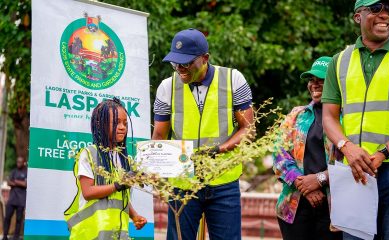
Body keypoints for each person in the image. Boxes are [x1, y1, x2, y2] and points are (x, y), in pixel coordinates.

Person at [152, 28, 254, 239]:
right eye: (175, 63)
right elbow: (159, 137)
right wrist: (154, 168)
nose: (179, 69)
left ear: (205, 58)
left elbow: (248, 128)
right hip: (182, 184)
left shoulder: (233, 79)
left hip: (223, 181)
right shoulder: (166, 87)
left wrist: (219, 149)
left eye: (186, 63)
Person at [322, 0, 389, 239]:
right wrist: (348, 148)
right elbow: (329, 117)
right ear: (358, 17)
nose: (384, 15)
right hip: (354, 171)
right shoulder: (340, 60)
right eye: (376, 9)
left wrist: (383, 153)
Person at [272, 56, 342, 240]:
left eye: (321, 80)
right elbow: (278, 154)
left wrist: (320, 180)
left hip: (335, 208)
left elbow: (350, 159)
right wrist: (305, 185)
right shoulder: (297, 115)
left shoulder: (346, 118)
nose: (314, 84)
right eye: (312, 80)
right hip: (295, 207)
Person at [64, 98, 147, 239]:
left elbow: (120, 195)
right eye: (116, 122)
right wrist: (117, 185)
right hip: (89, 233)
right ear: (101, 124)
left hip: (116, 233)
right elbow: (88, 192)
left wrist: (134, 216)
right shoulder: (90, 153)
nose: (122, 127)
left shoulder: (123, 158)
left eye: (125, 123)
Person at [2, 157, 27, 240]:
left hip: (21, 200)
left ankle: (15, 237)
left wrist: (15, 181)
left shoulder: (26, 172)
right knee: (7, 217)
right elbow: (9, 182)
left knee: (19, 219)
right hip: (12, 199)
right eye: (17, 162)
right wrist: (20, 182)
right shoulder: (14, 171)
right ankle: (5, 236)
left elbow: (25, 184)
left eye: (20, 162)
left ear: (23, 162)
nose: (18, 163)